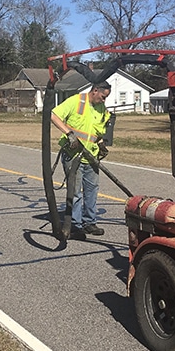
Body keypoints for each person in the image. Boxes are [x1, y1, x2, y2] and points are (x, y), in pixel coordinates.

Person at [51, 81, 112, 239]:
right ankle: (75, 225)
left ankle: (89, 222)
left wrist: (101, 144)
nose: (104, 100)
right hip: (73, 155)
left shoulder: (101, 109)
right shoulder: (76, 101)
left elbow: (97, 131)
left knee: (92, 189)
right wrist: (69, 134)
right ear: (95, 90)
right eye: (103, 97)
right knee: (76, 192)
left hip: (91, 155)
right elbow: (54, 115)